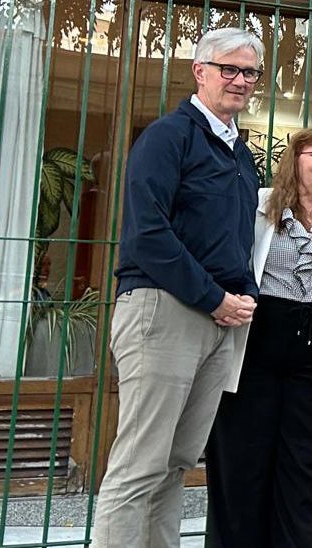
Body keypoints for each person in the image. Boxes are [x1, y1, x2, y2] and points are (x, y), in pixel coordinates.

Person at [92, 27, 263, 548]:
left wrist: (241, 293)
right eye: (228, 69)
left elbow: (237, 235)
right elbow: (147, 234)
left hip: (218, 320)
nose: (239, 80)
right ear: (200, 71)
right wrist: (214, 296)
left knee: (175, 462)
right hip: (163, 310)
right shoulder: (170, 136)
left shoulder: (240, 152)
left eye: (249, 73)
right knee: (140, 462)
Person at [206, 127, 312, 547]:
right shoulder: (260, 205)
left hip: (311, 353)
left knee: (305, 465)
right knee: (243, 460)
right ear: (295, 159)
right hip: (256, 345)